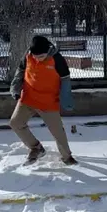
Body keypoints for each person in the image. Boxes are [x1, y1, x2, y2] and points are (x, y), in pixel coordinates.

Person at [10, 35, 77, 165]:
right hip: (28, 98)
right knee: (15, 123)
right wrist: (15, 88)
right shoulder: (28, 55)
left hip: (48, 102)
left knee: (58, 132)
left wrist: (66, 99)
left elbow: (65, 80)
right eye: (36, 56)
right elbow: (20, 71)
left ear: (48, 50)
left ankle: (67, 157)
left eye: (41, 56)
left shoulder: (57, 59)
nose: (38, 59)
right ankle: (36, 148)